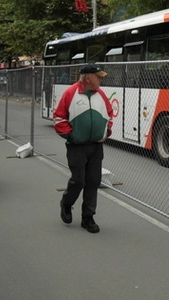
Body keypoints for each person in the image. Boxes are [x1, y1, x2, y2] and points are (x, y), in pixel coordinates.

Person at [54, 63, 114, 233]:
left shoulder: (101, 94)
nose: (101, 79)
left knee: (93, 181)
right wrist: (71, 136)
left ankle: (88, 218)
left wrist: (106, 131)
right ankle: (66, 203)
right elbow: (59, 118)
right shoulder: (70, 93)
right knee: (79, 180)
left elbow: (110, 115)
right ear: (88, 78)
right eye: (98, 76)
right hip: (76, 146)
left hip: (96, 146)